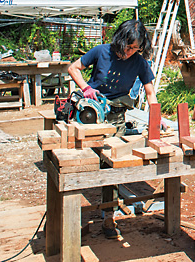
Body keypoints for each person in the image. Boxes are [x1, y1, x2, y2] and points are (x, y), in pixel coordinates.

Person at [66, 18, 158, 238]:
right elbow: (73, 68)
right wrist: (85, 88)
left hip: (116, 116)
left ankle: (108, 216)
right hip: (90, 114)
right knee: (79, 162)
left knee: (111, 165)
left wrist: (157, 118)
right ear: (120, 39)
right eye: (128, 46)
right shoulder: (101, 52)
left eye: (135, 48)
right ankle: (70, 215)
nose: (130, 51)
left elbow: (150, 93)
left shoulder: (139, 62)